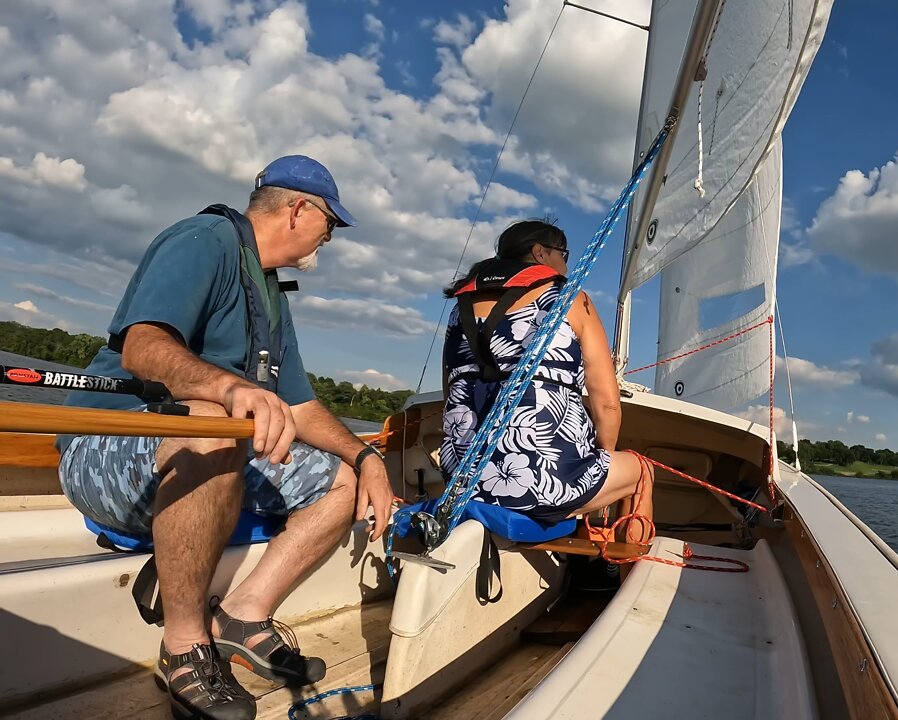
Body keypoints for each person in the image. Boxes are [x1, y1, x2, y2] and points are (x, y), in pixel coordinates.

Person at [57, 156, 395, 720]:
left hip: (210, 448)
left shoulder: (270, 293)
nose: (329, 238)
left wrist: (366, 456)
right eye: (331, 225)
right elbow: (143, 345)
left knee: (340, 480)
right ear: (298, 210)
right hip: (106, 447)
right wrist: (226, 387)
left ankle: (240, 613)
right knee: (216, 421)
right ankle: (184, 648)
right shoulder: (203, 239)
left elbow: (302, 405)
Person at [438, 220, 653, 546]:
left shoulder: (460, 307)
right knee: (643, 471)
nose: (567, 264)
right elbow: (606, 403)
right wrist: (600, 461)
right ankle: (624, 576)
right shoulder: (570, 298)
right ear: (540, 252)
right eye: (563, 254)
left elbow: (451, 392)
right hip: (544, 485)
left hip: (461, 479)